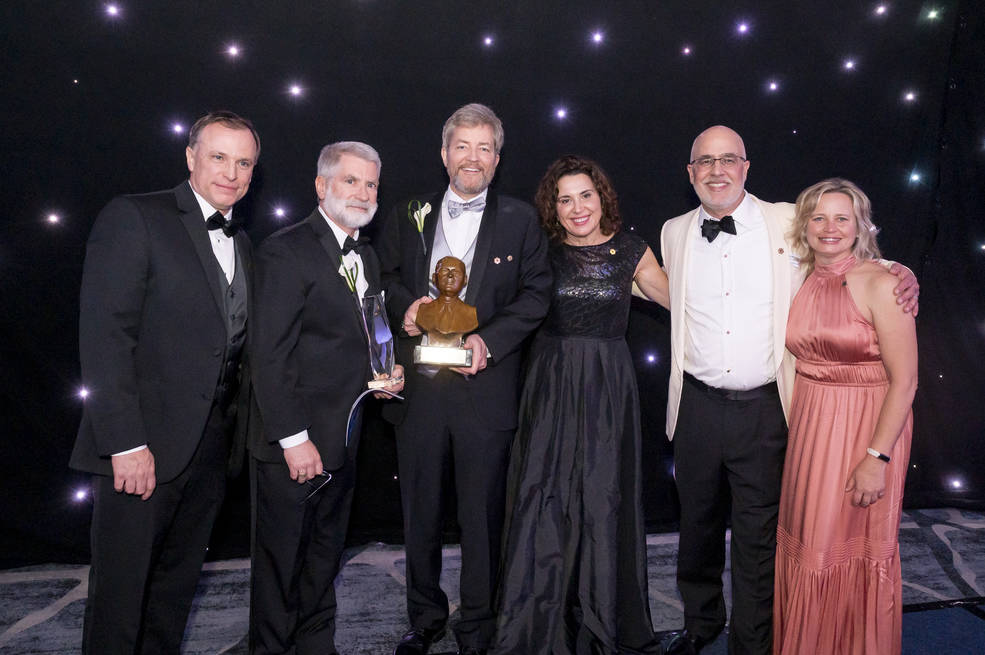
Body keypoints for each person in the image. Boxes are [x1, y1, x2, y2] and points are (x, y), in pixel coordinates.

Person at [659, 126, 919, 655]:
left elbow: (846, 251)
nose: (716, 170)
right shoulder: (674, 231)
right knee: (697, 527)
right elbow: (666, 289)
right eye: (704, 162)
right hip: (696, 405)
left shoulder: (787, 220)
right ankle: (699, 624)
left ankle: (753, 643)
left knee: (759, 538)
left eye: (727, 159)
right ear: (690, 175)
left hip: (769, 409)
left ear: (746, 167)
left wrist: (899, 269)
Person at [71, 110, 260, 653]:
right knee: (119, 601)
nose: (231, 172)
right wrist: (125, 443)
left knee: (173, 597)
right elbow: (106, 337)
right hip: (141, 449)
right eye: (219, 156)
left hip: (209, 453)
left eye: (244, 162)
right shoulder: (135, 216)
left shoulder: (243, 243)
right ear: (190, 157)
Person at [377, 103, 553, 655]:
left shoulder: (522, 219)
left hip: (486, 391)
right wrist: (406, 309)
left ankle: (478, 623)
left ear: (497, 159)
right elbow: (380, 275)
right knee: (421, 512)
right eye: (462, 146)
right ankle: (424, 618)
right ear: (444, 154)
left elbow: (536, 294)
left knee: (482, 518)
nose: (471, 157)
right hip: (420, 390)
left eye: (484, 148)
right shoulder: (408, 212)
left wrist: (490, 341)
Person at [490, 155, 669, 654]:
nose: (576, 208)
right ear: (552, 207)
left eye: (585, 195)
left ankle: (602, 622)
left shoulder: (633, 251)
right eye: (564, 199)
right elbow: (499, 303)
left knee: (603, 501)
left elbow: (692, 301)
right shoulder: (540, 253)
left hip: (609, 391)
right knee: (541, 501)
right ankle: (536, 628)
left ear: (601, 197)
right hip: (549, 386)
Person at [249, 141, 404, 655]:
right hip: (294, 443)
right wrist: (294, 440)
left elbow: (368, 332)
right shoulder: (284, 250)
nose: (363, 193)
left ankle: (316, 648)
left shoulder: (367, 254)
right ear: (322, 186)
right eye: (351, 181)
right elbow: (268, 354)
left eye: (371, 184)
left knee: (322, 558)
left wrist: (387, 370)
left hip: (344, 437)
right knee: (281, 569)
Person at [773, 179, 917, 654]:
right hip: (811, 427)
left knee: (845, 548)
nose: (828, 228)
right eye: (818, 217)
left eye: (841, 218)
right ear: (804, 226)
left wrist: (876, 457)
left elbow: (906, 381)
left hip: (864, 428)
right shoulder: (801, 279)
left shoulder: (882, 282)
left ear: (860, 227)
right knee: (807, 544)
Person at [415, 256, 479, 345]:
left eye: (456, 272)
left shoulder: (471, 314)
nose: (450, 275)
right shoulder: (423, 311)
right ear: (434, 278)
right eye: (445, 270)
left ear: (465, 280)